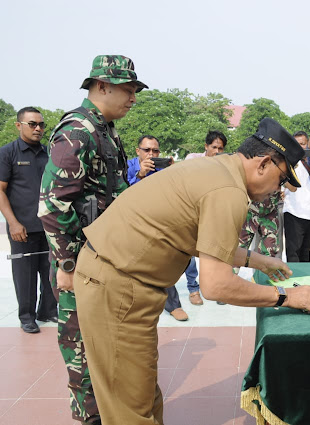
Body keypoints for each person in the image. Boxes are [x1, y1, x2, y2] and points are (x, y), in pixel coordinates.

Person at [72, 118, 310, 424]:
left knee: (141, 396)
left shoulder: (216, 170)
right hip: (117, 286)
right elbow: (216, 286)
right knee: (130, 408)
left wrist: (260, 260)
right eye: (281, 178)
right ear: (264, 163)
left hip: (121, 281)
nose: (277, 190)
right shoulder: (228, 190)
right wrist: (286, 297)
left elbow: (203, 242)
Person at [39, 54, 147, 425]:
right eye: (128, 90)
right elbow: (52, 206)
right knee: (81, 346)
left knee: (102, 343)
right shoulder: (79, 131)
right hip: (80, 260)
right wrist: (67, 264)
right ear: (101, 86)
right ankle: (90, 418)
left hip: (100, 258)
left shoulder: (105, 129)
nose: (133, 97)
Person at [0, 107, 57, 333]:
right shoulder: (7, 153)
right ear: (19, 125)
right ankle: (27, 316)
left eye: (41, 124)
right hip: (21, 227)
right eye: (32, 124)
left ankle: (48, 311)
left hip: (48, 226)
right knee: (24, 276)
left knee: (50, 271)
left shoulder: (48, 153)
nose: (38, 128)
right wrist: (13, 223)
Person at [126, 135, 187, 321]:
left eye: (155, 151)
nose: (151, 154)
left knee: (163, 262)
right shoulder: (127, 166)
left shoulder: (161, 168)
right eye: (147, 150)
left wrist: (174, 171)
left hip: (157, 223)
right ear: (138, 151)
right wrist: (140, 175)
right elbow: (123, 193)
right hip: (131, 222)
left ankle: (173, 305)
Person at [183, 130, 228, 305]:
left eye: (221, 148)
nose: (217, 151)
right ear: (206, 146)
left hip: (215, 213)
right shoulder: (193, 159)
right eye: (214, 147)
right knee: (190, 252)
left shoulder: (225, 165)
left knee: (216, 251)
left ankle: (217, 289)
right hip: (193, 212)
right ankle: (193, 289)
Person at [283, 131, 310, 262]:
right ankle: (293, 281)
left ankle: (304, 281)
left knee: (306, 252)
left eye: (303, 144)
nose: (301, 147)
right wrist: (308, 147)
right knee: (294, 253)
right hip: (294, 212)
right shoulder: (288, 160)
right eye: (297, 144)